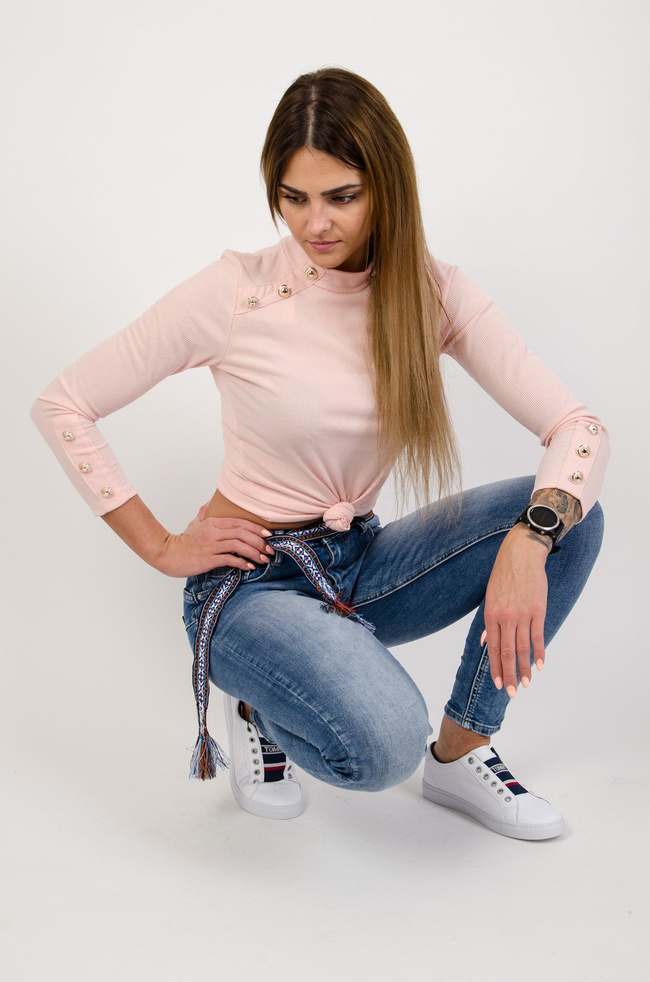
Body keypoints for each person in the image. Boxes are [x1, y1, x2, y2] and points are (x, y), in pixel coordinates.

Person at [31, 67, 607, 840]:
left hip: (356, 565)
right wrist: (161, 546)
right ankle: (259, 702)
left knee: (573, 518)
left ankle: (462, 750)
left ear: (386, 188)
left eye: (342, 196)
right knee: (381, 747)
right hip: (250, 584)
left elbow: (578, 428)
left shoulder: (432, 293)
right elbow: (64, 404)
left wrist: (530, 541)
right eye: (293, 197)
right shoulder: (237, 292)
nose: (315, 223)